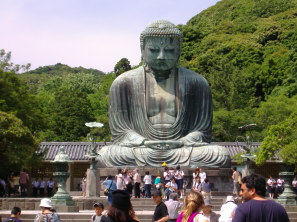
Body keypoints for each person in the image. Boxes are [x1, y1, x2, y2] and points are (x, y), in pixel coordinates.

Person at [98, 20, 231, 168]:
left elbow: (202, 131)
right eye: (154, 50)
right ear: (142, 49)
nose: (161, 56)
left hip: (182, 148)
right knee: (105, 155)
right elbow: (121, 132)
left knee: (220, 154)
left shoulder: (197, 82)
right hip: (142, 149)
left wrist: (182, 142)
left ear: (179, 50)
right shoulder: (123, 82)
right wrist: (144, 142)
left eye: (169, 50)